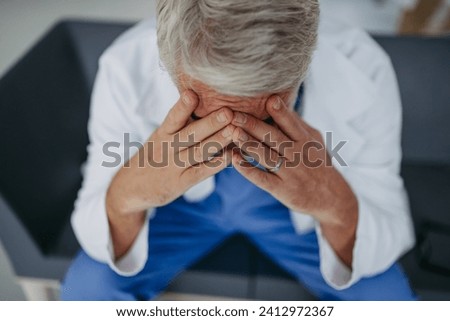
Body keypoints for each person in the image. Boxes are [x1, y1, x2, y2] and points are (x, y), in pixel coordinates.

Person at [61, 0, 416, 300]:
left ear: (305, 64)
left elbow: (391, 229)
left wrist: (333, 203)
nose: (233, 139)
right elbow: (93, 223)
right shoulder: (124, 66)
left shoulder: (365, 67)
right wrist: (128, 193)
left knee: (386, 299)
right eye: (203, 115)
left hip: (297, 215)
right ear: (170, 66)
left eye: (263, 119)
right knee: (88, 290)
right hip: (181, 211)